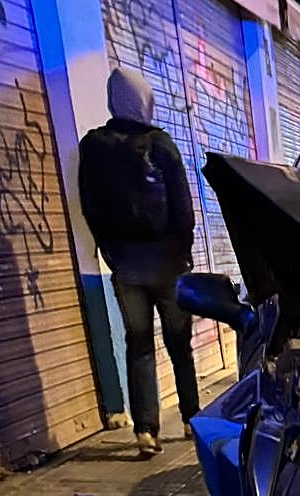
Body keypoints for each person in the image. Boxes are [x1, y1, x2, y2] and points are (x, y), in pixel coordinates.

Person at [79, 68, 199, 458]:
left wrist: (109, 250)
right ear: (145, 100)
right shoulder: (159, 144)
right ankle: (191, 419)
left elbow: (89, 205)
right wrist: (185, 252)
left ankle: (146, 430)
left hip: (126, 265)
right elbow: (182, 205)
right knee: (180, 344)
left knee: (139, 345)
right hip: (167, 262)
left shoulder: (93, 147)